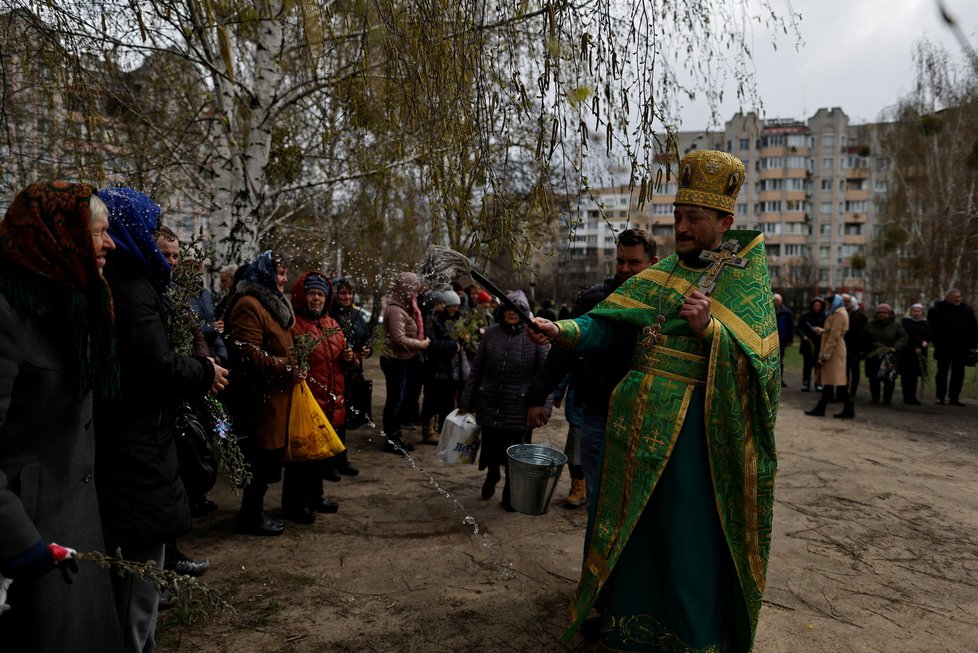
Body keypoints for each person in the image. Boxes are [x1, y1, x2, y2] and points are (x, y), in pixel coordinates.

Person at [528, 150, 779, 653]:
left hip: (694, 436)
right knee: (631, 527)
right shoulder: (659, 274)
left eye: (694, 219)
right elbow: (603, 324)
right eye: (678, 216)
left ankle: (691, 636)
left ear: (724, 222)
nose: (681, 227)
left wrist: (710, 330)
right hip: (635, 423)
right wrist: (560, 329)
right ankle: (625, 622)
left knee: (685, 534)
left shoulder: (744, 280)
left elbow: (764, 369)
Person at [95, 187, 227, 653]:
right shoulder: (133, 288)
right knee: (138, 584)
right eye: (151, 234)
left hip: (130, 443)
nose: (157, 247)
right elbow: (154, 366)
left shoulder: (125, 283)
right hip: (137, 449)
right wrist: (204, 370)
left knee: (134, 579)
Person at [0, 182, 123, 652]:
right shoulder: (7, 313)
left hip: (77, 521)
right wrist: (17, 540)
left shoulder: (75, 300)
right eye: (98, 232)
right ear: (58, 236)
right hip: (32, 536)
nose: (110, 244)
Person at [525, 228, 658, 504]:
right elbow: (565, 350)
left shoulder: (663, 303)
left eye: (634, 262)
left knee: (637, 498)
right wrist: (539, 397)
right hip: (597, 410)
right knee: (598, 498)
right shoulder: (595, 299)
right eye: (620, 261)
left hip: (644, 414)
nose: (625, 269)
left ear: (652, 263)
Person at [223, 251, 301, 535]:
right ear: (264, 273)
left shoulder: (271, 305)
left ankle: (253, 512)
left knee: (265, 463)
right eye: (279, 272)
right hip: (258, 401)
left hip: (274, 400)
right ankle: (250, 516)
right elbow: (247, 355)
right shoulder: (249, 305)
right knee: (258, 461)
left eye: (284, 273)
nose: (284, 278)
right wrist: (288, 367)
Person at [459, 291, 550, 511]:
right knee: (491, 448)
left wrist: (544, 407)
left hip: (519, 407)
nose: (512, 313)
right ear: (502, 310)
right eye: (508, 308)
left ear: (525, 313)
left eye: (517, 309)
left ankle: (510, 494)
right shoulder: (491, 334)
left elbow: (546, 376)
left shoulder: (536, 338)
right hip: (489, 402)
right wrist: (466, 400)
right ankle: (492, 475)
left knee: (516, 454)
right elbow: (477, 369)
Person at [286, 271, 349, 522]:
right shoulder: (294, 325)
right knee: (302, 456)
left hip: (330, 397)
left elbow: (342, 358)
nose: (316, 299)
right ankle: (295, 504)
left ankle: (316, 496)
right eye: (312, 293)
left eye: (321, 294)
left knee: (320, 453)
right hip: (306, 400)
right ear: (303, 295)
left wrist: (350, 358)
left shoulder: (331, 324)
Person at [380, 272, 430, 453]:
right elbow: (399, 338)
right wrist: (421, 344)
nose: (416, 294)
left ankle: (396, 436)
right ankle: (391, 439)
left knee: (399, 399)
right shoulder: (395, 310)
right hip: (395, 361)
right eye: (414, 290)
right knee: (395, 400)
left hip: (403, 361)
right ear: (405, 290)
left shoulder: (406, 308)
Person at [330, 276, 372, 440]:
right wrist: (341, 354)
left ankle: (342, 458)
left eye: (350, 293)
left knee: (348, 417)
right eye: (343, 293)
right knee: (336, 417)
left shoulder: (357, 315)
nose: (347, 297)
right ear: (335, 294)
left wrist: (367, 349)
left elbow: (366, 337)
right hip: (337, 374)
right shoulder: (330, 316)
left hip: (354, 373)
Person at [421, 290, 465, 443]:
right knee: (431, 399)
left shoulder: (440, 320)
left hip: (444, 367)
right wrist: (453, 345)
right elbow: (433, 344)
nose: (443, 306)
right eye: (440, 303)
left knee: (444, 399)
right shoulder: (430, 321)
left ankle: (440, 431)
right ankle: (428, 432)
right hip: (434, 367)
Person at [804, 294, 853, 418]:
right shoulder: (838, 312)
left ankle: (847, 407)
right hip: (834, 347)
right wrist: (822, 331)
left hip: (835, 350)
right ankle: (823, 407)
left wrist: (826, 353)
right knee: (831, 380)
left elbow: (835, 335)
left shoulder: (840, 314)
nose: (827, 306)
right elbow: (833, 331)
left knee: (836, 380)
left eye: (828, 303)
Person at [928, 289, 978, 406]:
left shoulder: (966, 310)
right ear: (948, 297)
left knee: (958, 373)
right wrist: (936, 342)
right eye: (955, 297)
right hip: (943, 347)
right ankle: (940, 396)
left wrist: (973, 346)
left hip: (961, 347)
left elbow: (973, 329)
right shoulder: (936, 310)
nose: (958, 299)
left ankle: (954, 397)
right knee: (942, 372)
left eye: (959, 296)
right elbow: (930, 328)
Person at [861, 303, 907, 406]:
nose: (882, 315)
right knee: (873, 377)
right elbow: (864, 338)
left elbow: (903, 337)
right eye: (880, 313)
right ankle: (875, 397)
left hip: (889, 354)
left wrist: (895, 347)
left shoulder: (896, 324)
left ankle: (887, 399)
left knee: (889, 378)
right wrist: (863, 351)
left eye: (885, 313)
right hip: (873, 354)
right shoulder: (870, 324)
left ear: (889, 313)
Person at [899, 304, 931, 405]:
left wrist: (926, 341)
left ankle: (912, 396)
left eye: (918, 311)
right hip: (908, 351)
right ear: (911, 312)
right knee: (906, 375)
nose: (916, 313)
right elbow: (908, 334)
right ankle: (906, 396)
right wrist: (918, 343)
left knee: (915, 375)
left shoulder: (925, 323)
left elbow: (929, 334)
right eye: (914, 311)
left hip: (920, 352)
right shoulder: (906, 322)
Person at [798, 297, 825, 391]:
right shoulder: (805, 316)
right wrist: (803, 336)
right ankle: (806, 383)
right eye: (815, 305)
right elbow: (798, 328)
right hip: (807, 344)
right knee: (807, 365)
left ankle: (818, 383)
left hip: (819, 344)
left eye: (819, 306)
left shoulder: (824, 317)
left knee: (818, 365)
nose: (817, 307)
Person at [843, 294, 867, 398]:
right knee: (844, 370)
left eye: (848, 303)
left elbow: (863, 334)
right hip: (844, 347)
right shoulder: (843, 314)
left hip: (856, 348)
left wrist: (861, 350)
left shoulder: (860, 317)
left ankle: (853, 390)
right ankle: (844, 388)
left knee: (855, 370)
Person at [773, 293, 794, 387]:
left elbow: (790, 327)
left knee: (780, 360)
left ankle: (779, 379)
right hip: (770, 339)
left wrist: (790, 339)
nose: (775, 302)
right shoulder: (769, 311)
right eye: (774, 300)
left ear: (780, 301)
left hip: (781, 339)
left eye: (777, 300)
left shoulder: (786, 312)